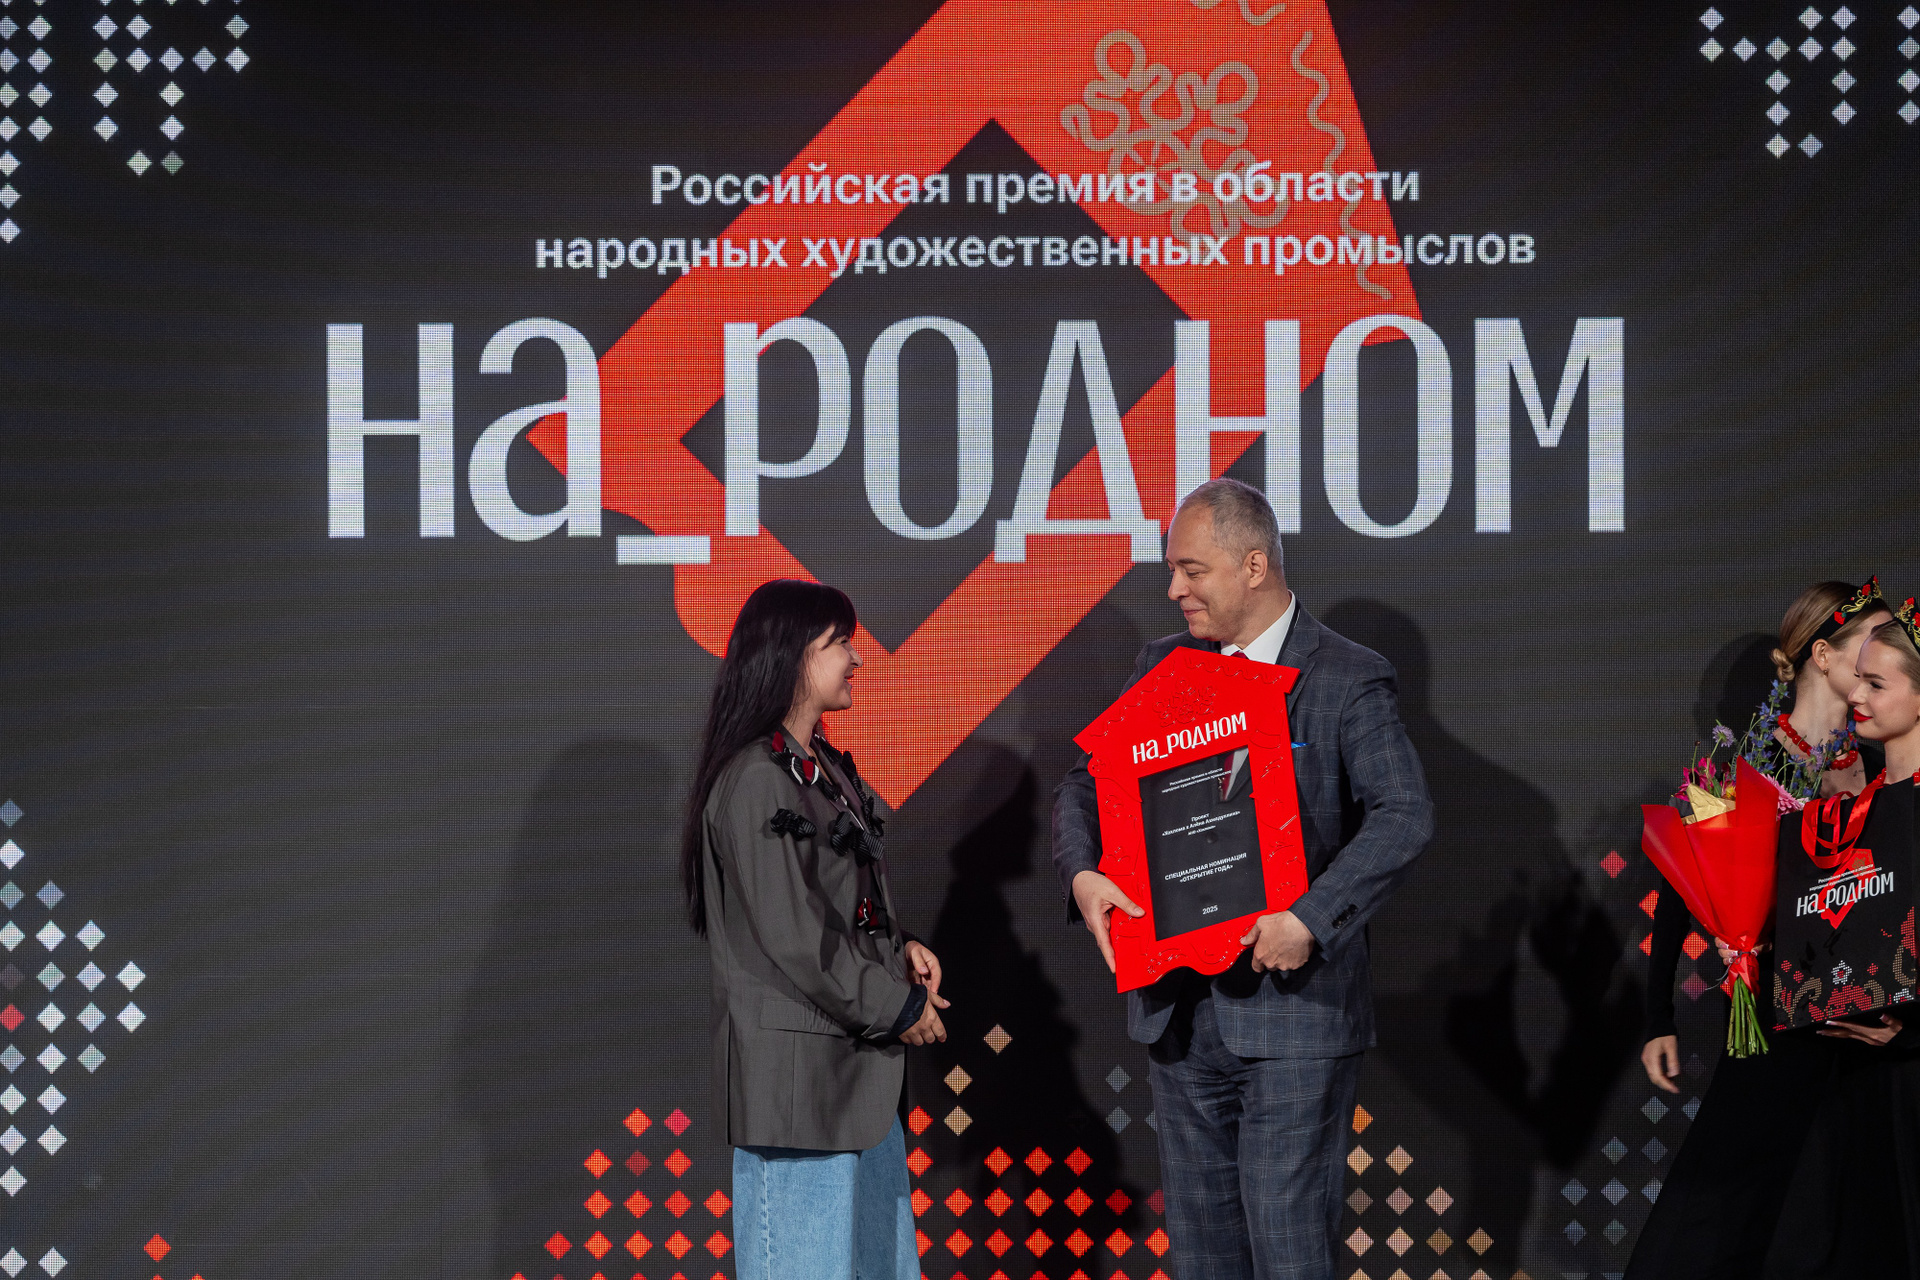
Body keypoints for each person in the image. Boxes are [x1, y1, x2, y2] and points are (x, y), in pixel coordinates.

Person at [1051, 478, 1433, 1280]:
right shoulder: (1163, 665)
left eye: (1192, 570)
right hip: (1179, 1016)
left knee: (1287, 1251)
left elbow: (1403, 813)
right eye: (1172, 570)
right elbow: (1087, 784)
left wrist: (1310, 919)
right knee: (1203, 1257)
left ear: (1254, 566)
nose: (1174, 589)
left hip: (1293, 1018)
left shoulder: (1346, 676)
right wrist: (1083, 874)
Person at [1627, 577, 1901, 1280]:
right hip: (1774, 1016)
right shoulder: (1747, 760)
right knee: (1732, 1206)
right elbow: (1681, 886)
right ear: (1822, 655)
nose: (1880, 654)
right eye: (1868, 642)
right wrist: (1657, 1017)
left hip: (1858, 1021)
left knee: (1833, 1207)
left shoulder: (1877, 761)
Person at [680, 579, 948, 1280]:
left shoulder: (822, 769)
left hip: (857, 1086)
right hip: (800, 1094)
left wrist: (899, 950)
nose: (857, 658)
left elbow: (837, 906)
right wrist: (899, 1007)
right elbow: (797, 936)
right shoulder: (755, 779)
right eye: (840, 644)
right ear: (796, 655)